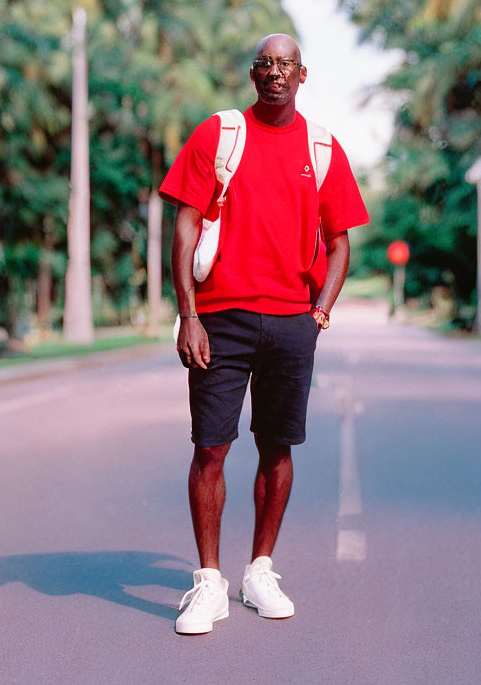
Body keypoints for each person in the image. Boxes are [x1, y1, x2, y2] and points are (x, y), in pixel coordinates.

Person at [159, 33, 370, 635]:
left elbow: (339, 241)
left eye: (287, 65)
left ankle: (259, 570)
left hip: (290, 324)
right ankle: (208, 582)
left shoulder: (322, 148)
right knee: (211, 449)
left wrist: (319, 313)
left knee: (277, 448)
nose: (276, 73)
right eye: (266, 64)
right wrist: (189, 313)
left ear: (303, 75)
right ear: (253, 74)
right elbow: (185, 225)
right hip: (220, 320)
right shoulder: (220, 135)